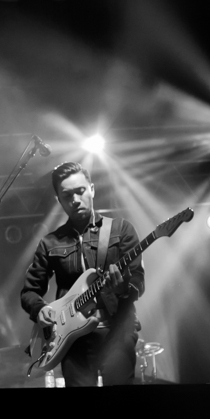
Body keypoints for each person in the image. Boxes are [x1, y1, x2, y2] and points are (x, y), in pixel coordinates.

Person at [21, 162, 145, 387]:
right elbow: (29, 291)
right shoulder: (50, 242)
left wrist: (123, 288)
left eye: (80, 191)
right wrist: (39, 310)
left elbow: (138, 280)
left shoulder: (121, 230)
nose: (75, 200)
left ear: (92, 189)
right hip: (72, 339)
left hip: (117, 329)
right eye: (67, 195)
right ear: (59, 200)